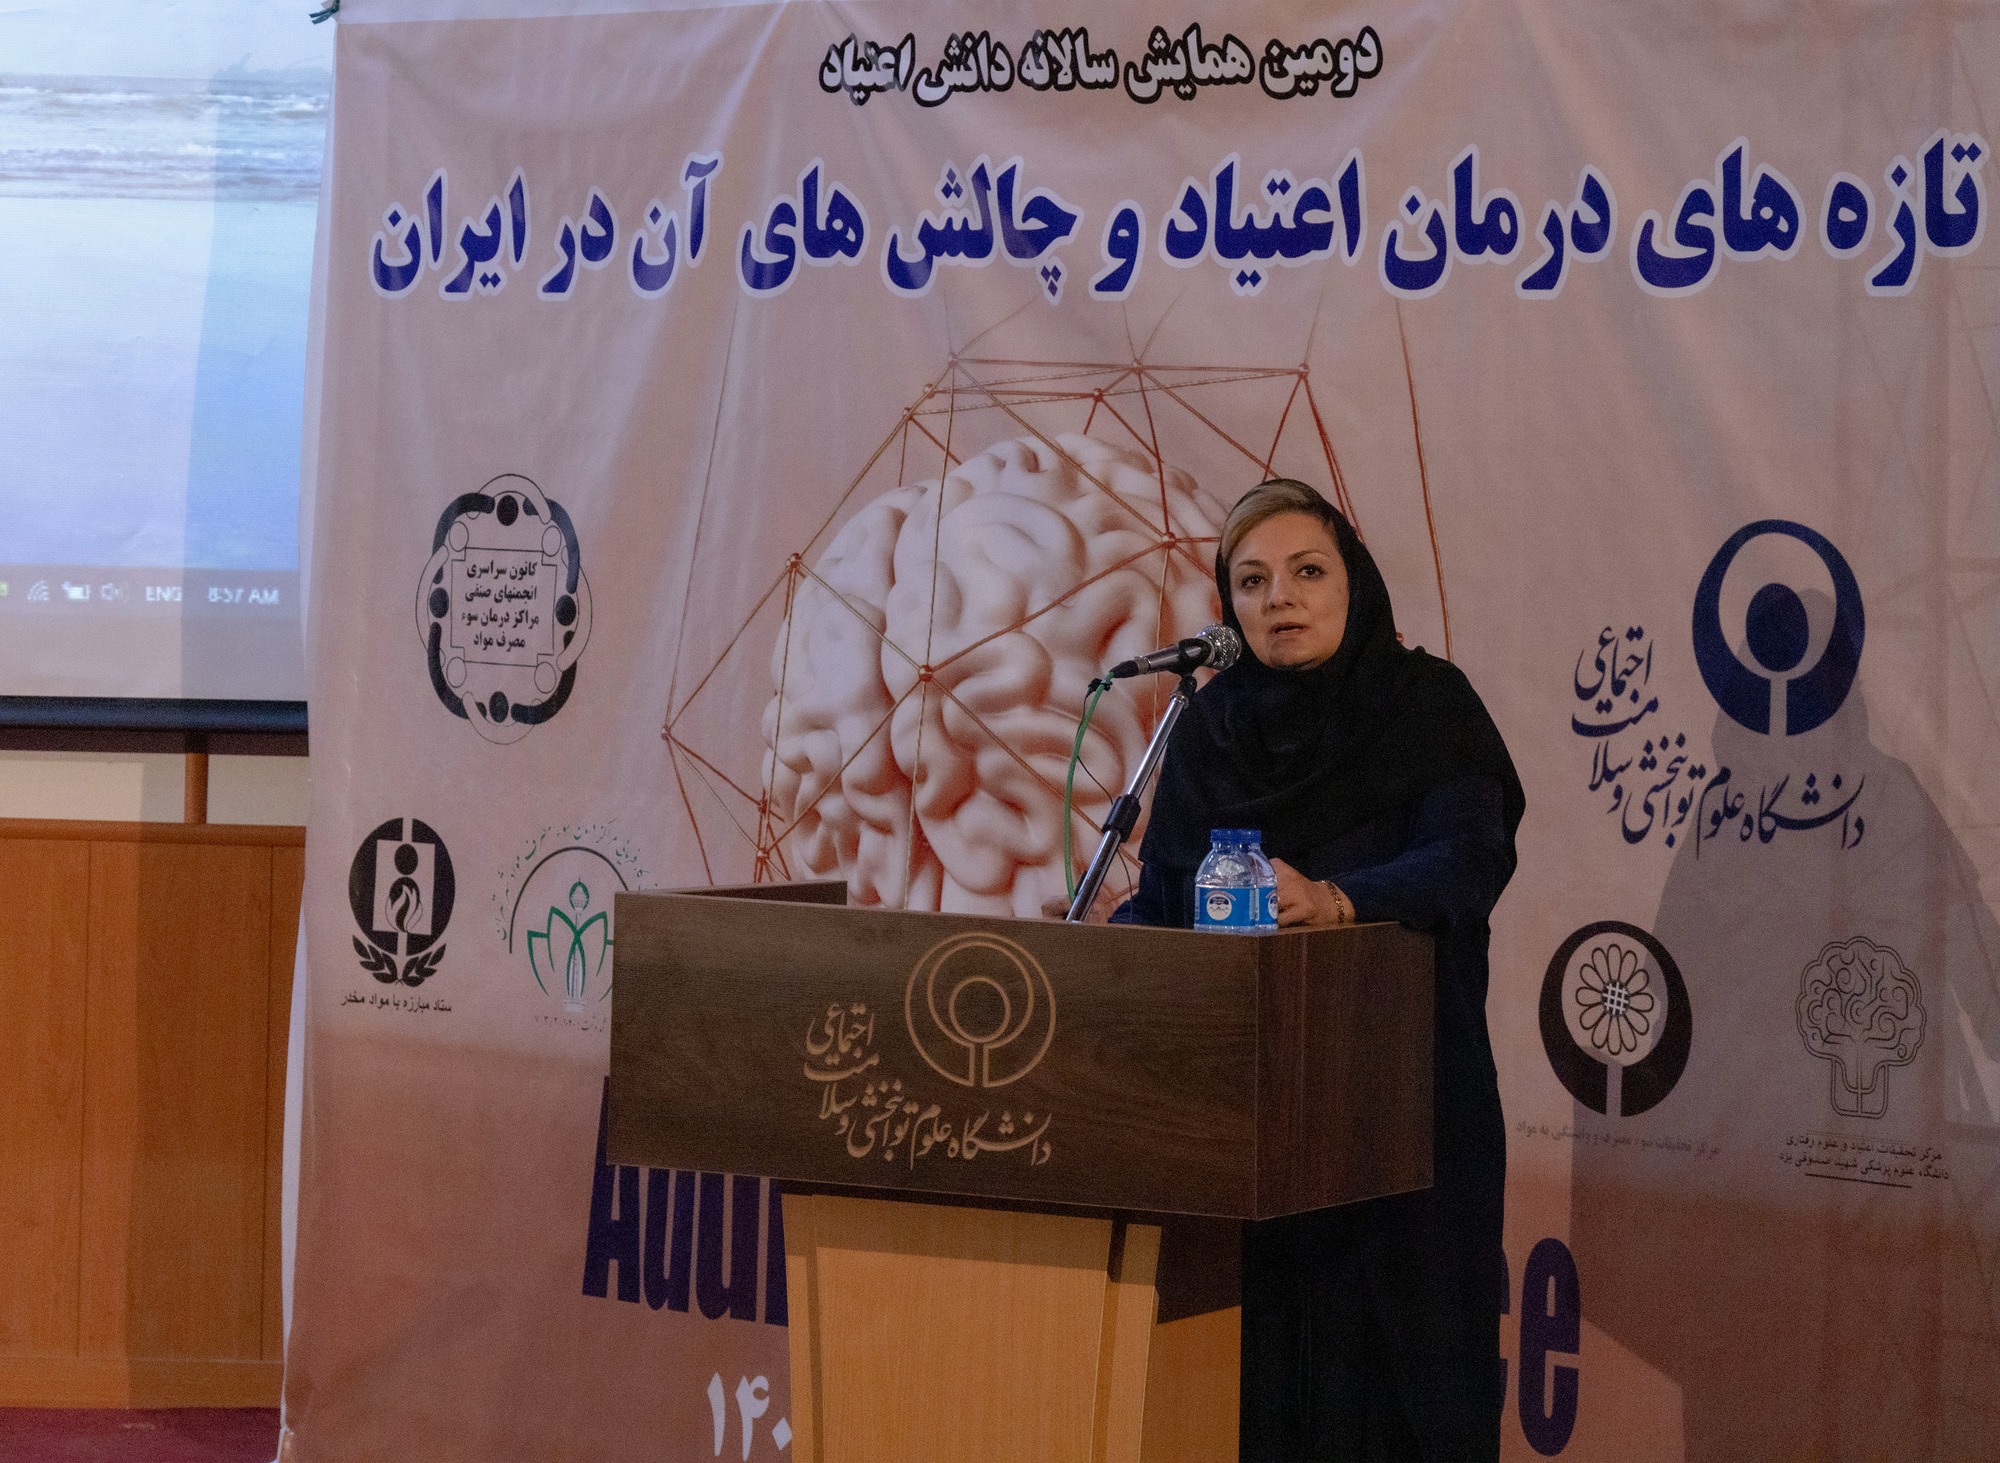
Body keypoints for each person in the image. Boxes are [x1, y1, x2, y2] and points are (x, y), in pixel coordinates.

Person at [1116, 478, 1524, 1462]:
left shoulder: (1426, 705)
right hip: (1243, 1134)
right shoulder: (1210, 729)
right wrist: (1092, 957)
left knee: (1408, 1402)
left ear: (1354, 582)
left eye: (1307, 571)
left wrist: (1338, 898)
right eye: (1251, 581)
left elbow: (1468, 857)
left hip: (1405, 1119)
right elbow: (1164, 896)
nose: (1280, 598)